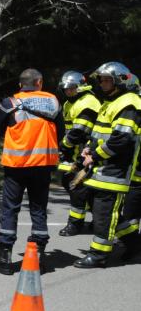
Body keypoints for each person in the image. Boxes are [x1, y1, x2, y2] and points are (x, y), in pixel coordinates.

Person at [0, 69, 62, 275]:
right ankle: (36, 256)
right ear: (39, 82)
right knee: (38, 208)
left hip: (16, 164)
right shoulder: (53, 101)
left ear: (21, 85)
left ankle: (4, 257)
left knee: (10, 208)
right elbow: (61, 130)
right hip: (43, 163)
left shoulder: (9, 102)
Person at [73, 62, 141, 268]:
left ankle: (99, 255)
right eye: (101, 80)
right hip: (102, 168)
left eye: (106, 80)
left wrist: (94, 155)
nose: (101, 83)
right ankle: (136, 245)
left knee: (104, 214)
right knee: (105, 212)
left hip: (115, 171)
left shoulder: (129, 104)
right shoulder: (111, 102)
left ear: (119, 81)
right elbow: (100, 133)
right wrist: (87, 148)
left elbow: (122, 140)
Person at [56, 71, 100, 237]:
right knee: (74, 186)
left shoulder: (88, 102)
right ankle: (98, 219)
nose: (68, 91)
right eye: (66, 89)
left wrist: (62, 145)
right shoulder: (70, 103)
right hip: (73, 153)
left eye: (71, 88)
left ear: (80, 86)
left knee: (76, 187)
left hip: (85, 153)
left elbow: (79, 132)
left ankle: (75, 224)